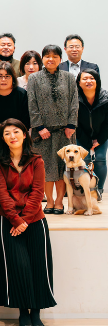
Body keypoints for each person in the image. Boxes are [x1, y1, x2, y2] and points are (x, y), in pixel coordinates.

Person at [0, 119, 57, 326]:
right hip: (6, 219)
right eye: (7, 133)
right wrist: (16, 219)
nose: (12, 136)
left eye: (16, 132)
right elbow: (1, 194)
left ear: (25, 134)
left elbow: (38, 192)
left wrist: (25, 219)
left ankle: (36, 313)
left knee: (38, 265)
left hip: (35, 219)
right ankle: (23, 314)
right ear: (2, 138)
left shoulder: (37, 160)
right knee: (18, 266)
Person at [28, 45, 80, 215]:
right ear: (42, 59)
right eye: (47, 56)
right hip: (42, 133)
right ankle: (49, 201)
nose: (51, 59)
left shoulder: (69, 77)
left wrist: (71, 125)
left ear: (60, 59)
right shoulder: (34, 78)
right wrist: (39, 127)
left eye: (55, 56)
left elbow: (74, 102)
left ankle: (59, 202)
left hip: (65, 131)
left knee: (62, 168)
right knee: (45, 168)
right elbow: (32, 104)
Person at [76, 69, 108, 198]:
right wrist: (87, 142)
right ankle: (86, 189)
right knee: (85, 159)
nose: (88, 81)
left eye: (92, 78)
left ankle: (98, 190)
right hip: (81, 134)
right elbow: (74, 122)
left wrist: (99, 140)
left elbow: (107, 123)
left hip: (102, 134)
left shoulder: (105, 98)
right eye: (84, 79)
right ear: (79, 83)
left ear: (97, 81)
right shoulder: (74, 99)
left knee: (100, 159)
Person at [0, 63, 31, 131]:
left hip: (16, 134)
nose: (3, 79)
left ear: (13, 78)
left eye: (7, 76)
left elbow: (26, 121)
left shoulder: (22, 94)